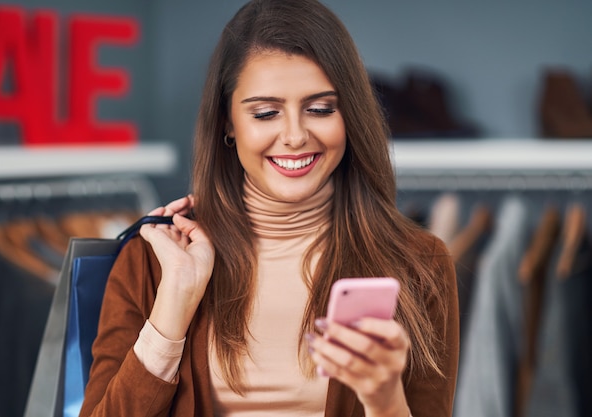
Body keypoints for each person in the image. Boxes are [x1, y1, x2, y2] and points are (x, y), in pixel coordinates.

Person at [79, 1, 459, 416]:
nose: (295, 136)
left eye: (320, 109)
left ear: (349, 114)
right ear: (227, 121)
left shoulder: (419, 264)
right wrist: (175, 303)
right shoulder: (152, 264)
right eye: (266, 113)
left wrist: (384, 398)